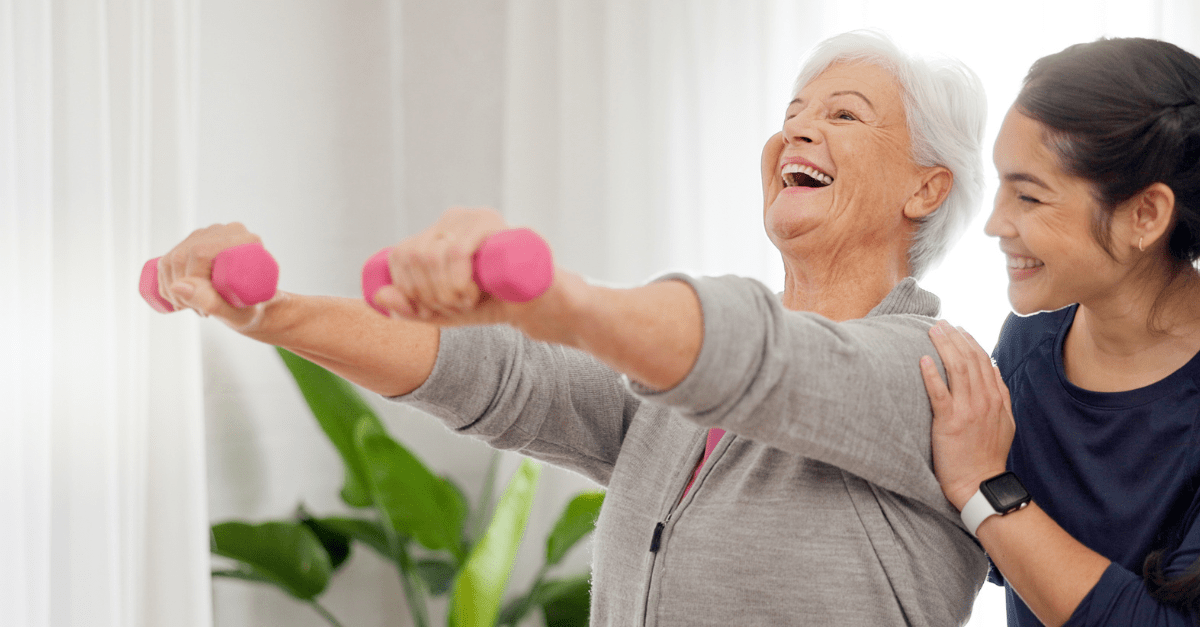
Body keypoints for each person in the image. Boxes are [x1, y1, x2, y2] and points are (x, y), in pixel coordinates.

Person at [161, 31, 990, 625]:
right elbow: (502, 378)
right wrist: (269, 312)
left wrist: (542, 293)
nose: (796, 131)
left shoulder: (927, 375)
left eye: (843, 115)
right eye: (792, 110)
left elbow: (766, 363)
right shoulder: (678, 392)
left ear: (926, 188)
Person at [918, 37, 1200, 626]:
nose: (996, 222)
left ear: (1145, 214)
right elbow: (1005, 555)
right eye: (999, 187)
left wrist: (985, 483)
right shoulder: (1028, 347)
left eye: (1028, 195)